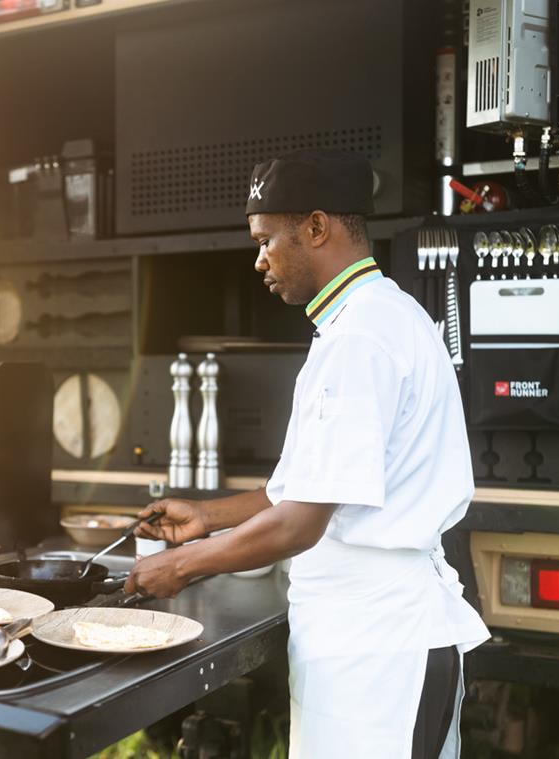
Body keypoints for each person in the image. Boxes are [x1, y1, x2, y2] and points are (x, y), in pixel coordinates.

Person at [124, 149, 490, 759]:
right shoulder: (368, 320)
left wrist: (185, 565)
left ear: (317, 228)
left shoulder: (362, 336)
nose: (259, 259)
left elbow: (298, 523)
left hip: (381, 656)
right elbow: (296, 491)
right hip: (360, 648)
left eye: (267, 239)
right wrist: (206, 517)